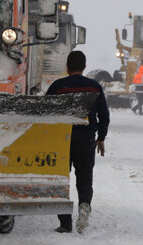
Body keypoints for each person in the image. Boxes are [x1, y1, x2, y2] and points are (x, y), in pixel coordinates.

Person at [45, 50, 110, 234]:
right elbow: (104, 115)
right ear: (84, 67)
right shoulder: (95, 87)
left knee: (61, 179)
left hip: (61, 140)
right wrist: (101, 138)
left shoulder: (57, 86)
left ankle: (65, 223)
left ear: (67, 67)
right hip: (86, 139)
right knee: (84, 179)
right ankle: (83, 207)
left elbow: (45, 112)